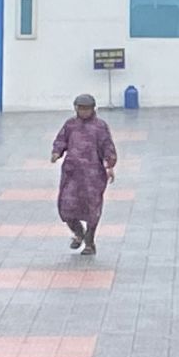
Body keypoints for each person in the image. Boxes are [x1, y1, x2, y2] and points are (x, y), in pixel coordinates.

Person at [50, 93, 117, 256]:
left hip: (93, 175)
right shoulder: (70, 125)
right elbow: (61, 140)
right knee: (66, 207)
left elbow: (107, 146)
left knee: (92, 208)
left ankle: (89, 242)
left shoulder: (100, 127)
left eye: (87, 109)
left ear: (93, 109)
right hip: (72, 173)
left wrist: (109, 165)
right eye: (81, 108)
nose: (84, 112)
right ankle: (78, 232)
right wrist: (57, 152)